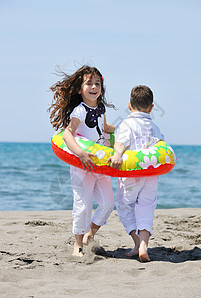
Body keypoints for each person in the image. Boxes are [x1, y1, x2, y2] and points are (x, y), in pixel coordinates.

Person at [49, 65, 116, 257]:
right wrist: (80, 153)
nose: (94, 87)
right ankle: (77, 245)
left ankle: (90, 233)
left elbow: (103, 129)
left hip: (99, 165)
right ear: (79, 89)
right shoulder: (79, 111)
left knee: (108, 203)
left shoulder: (101, 108)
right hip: (82, 165)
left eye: (97, 83)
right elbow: (68, 134)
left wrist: (120, 134)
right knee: (83, 205)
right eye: (89, 83)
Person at [108, 85, 164, 262]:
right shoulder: (155, 127)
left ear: (129, 106)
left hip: (131, 175)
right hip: (150, 176)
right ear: (151, 107)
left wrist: (117, 154)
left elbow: (121, 143)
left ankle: (137, 242)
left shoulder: (126, 124)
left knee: (125, 207)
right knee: (147, 207)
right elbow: (161, 150)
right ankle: (144, 246)